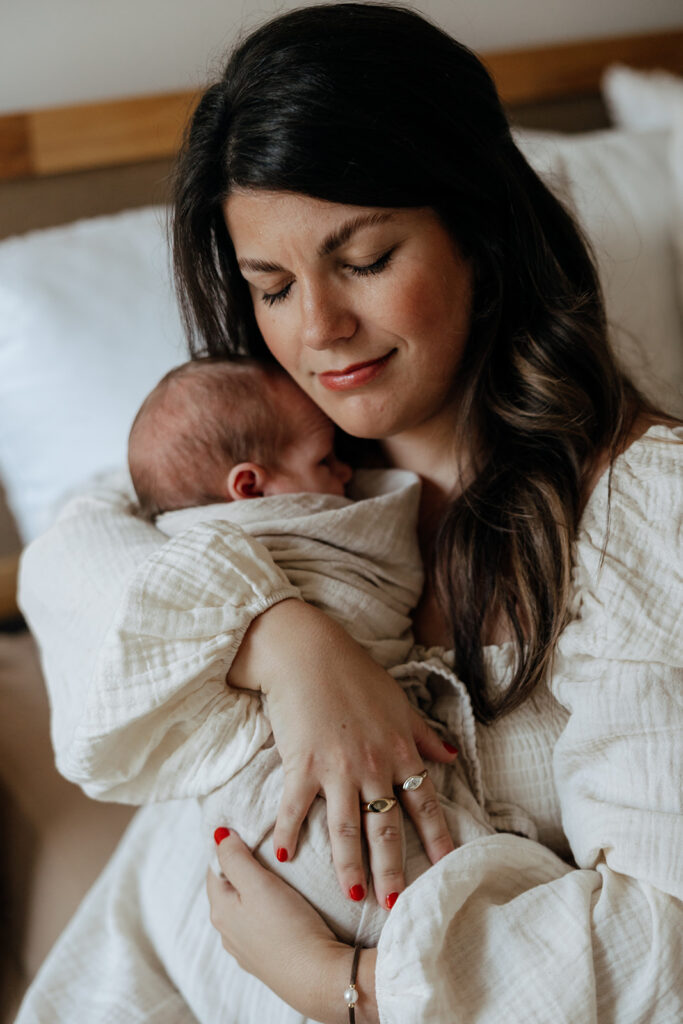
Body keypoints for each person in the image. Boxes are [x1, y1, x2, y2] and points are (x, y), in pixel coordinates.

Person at [17, 3, 682, 1023]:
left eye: (364, 260)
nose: (319, 330)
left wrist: (352, 988)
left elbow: (658, 934)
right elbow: (69, 573)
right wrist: (289, 647)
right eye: (271, 286)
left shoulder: (639, 508)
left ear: (477, 228)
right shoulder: (251, 468)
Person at [127, 355, 521, 945]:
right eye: (323, 460)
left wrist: (332, 983)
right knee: (431, 889)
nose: (345, 474)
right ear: (250, 487)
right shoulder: (195, 553)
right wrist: (290, 643)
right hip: (280, 788)